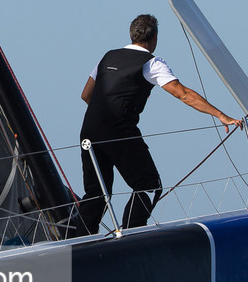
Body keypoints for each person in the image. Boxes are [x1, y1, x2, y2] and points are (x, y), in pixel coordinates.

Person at [78, 14, 239, 232]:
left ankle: (76, 241)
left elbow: (86, 94)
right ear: (154, 36)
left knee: (96, 193)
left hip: (89, 130)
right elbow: (182, 94)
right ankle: (130, 235)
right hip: (119, 130)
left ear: (132, 35)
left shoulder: (107, 57)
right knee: (149, 186)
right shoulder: (151, 62)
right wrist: (220, 115)